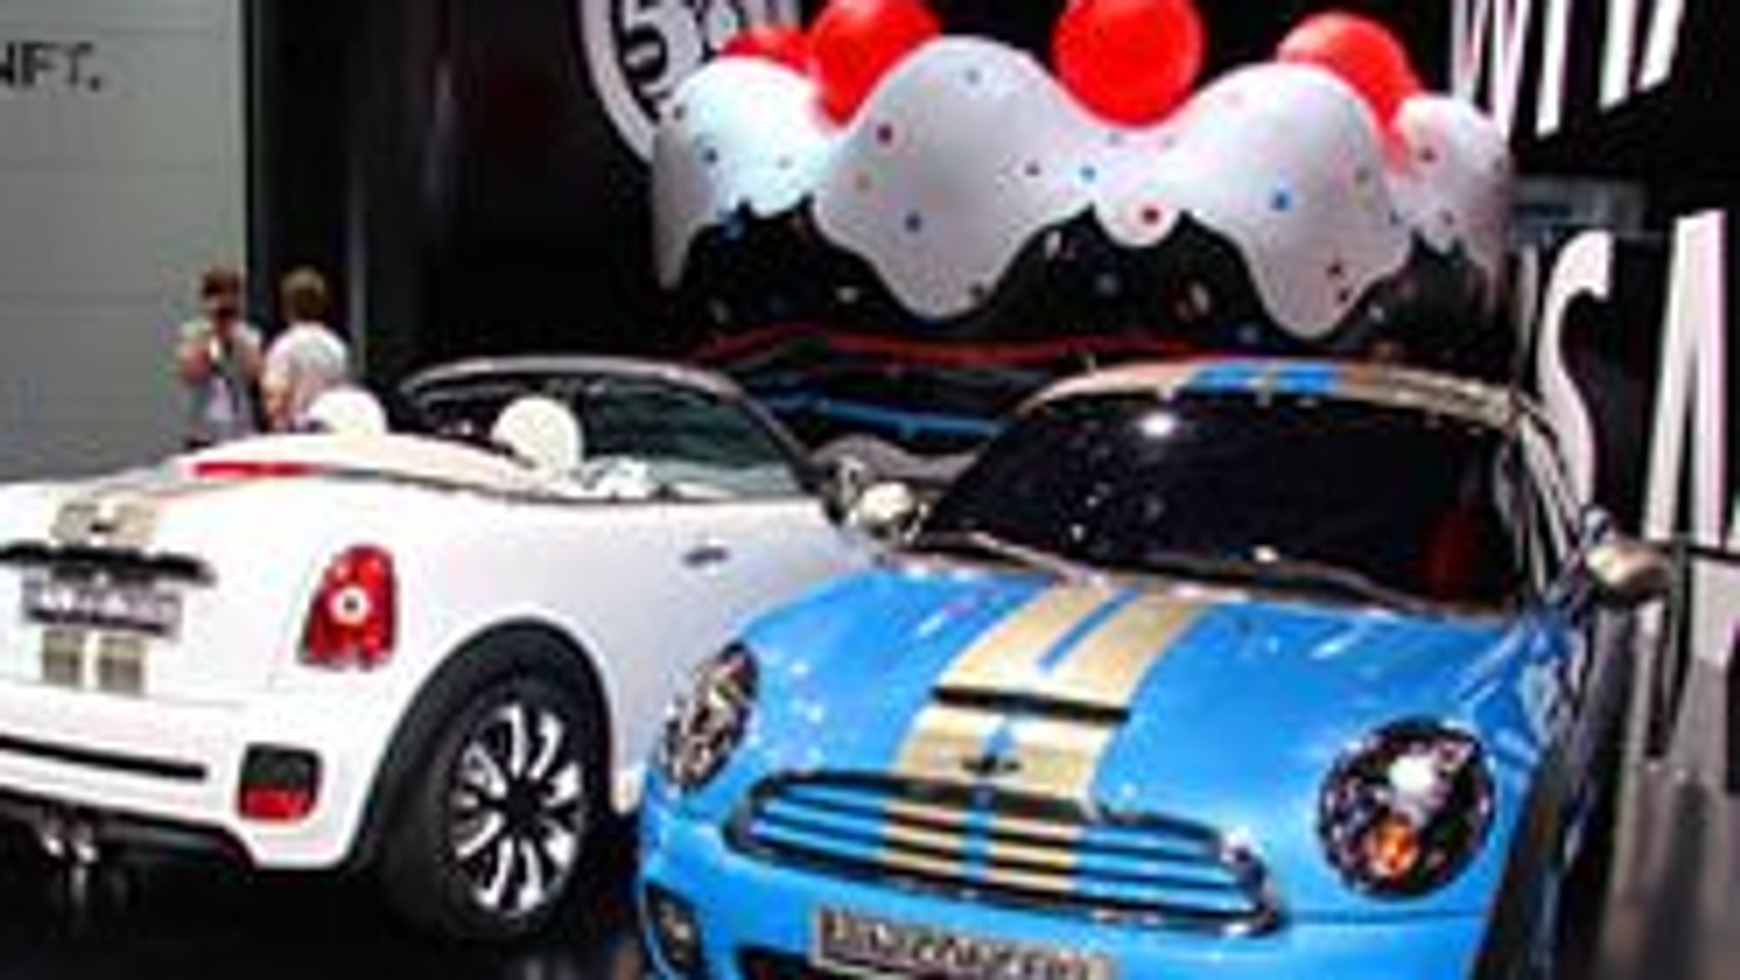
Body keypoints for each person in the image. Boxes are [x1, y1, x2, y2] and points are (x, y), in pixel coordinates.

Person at [175, 264, 265, 449]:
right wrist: (213, 333)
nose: (227, 303)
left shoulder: (248, 335)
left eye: (233, 294)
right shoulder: (193, 333)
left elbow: (254, 375)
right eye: (220, 294)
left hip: (239, 431)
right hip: (203, 431)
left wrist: (233, 336)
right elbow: (191, 374)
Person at [262, 266, 351, 432]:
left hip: (297, 433)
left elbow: (277, 400)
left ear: (288, 306)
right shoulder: (336, 347)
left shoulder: (285, 346)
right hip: (330, 431)